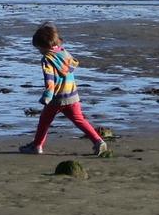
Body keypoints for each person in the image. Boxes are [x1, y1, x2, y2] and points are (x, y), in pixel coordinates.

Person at [19, 22, 108, 156]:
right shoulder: (65, 53)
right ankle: (98, 141)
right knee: (80, 120)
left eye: (39, 48)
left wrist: (47, 96)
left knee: (44, 121)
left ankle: (37, 146)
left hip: (57, 97)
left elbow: (49, 79)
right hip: (72, 95)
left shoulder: (47, 59)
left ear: (44, 46)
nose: (39, 51)